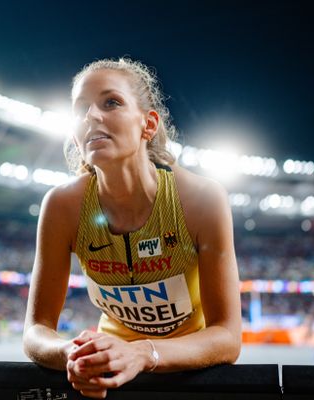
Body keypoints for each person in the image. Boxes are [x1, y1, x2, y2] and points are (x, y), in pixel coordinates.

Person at [23, 58, 241, 398]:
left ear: (148, 123)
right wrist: (73, 355)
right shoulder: (62, 207)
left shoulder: (200, 200)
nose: (91, 116)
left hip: (189, 373)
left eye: (111, 102)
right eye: (81, 108)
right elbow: (36, 331)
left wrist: (142, 352)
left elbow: (227, 337)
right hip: (109, 375)